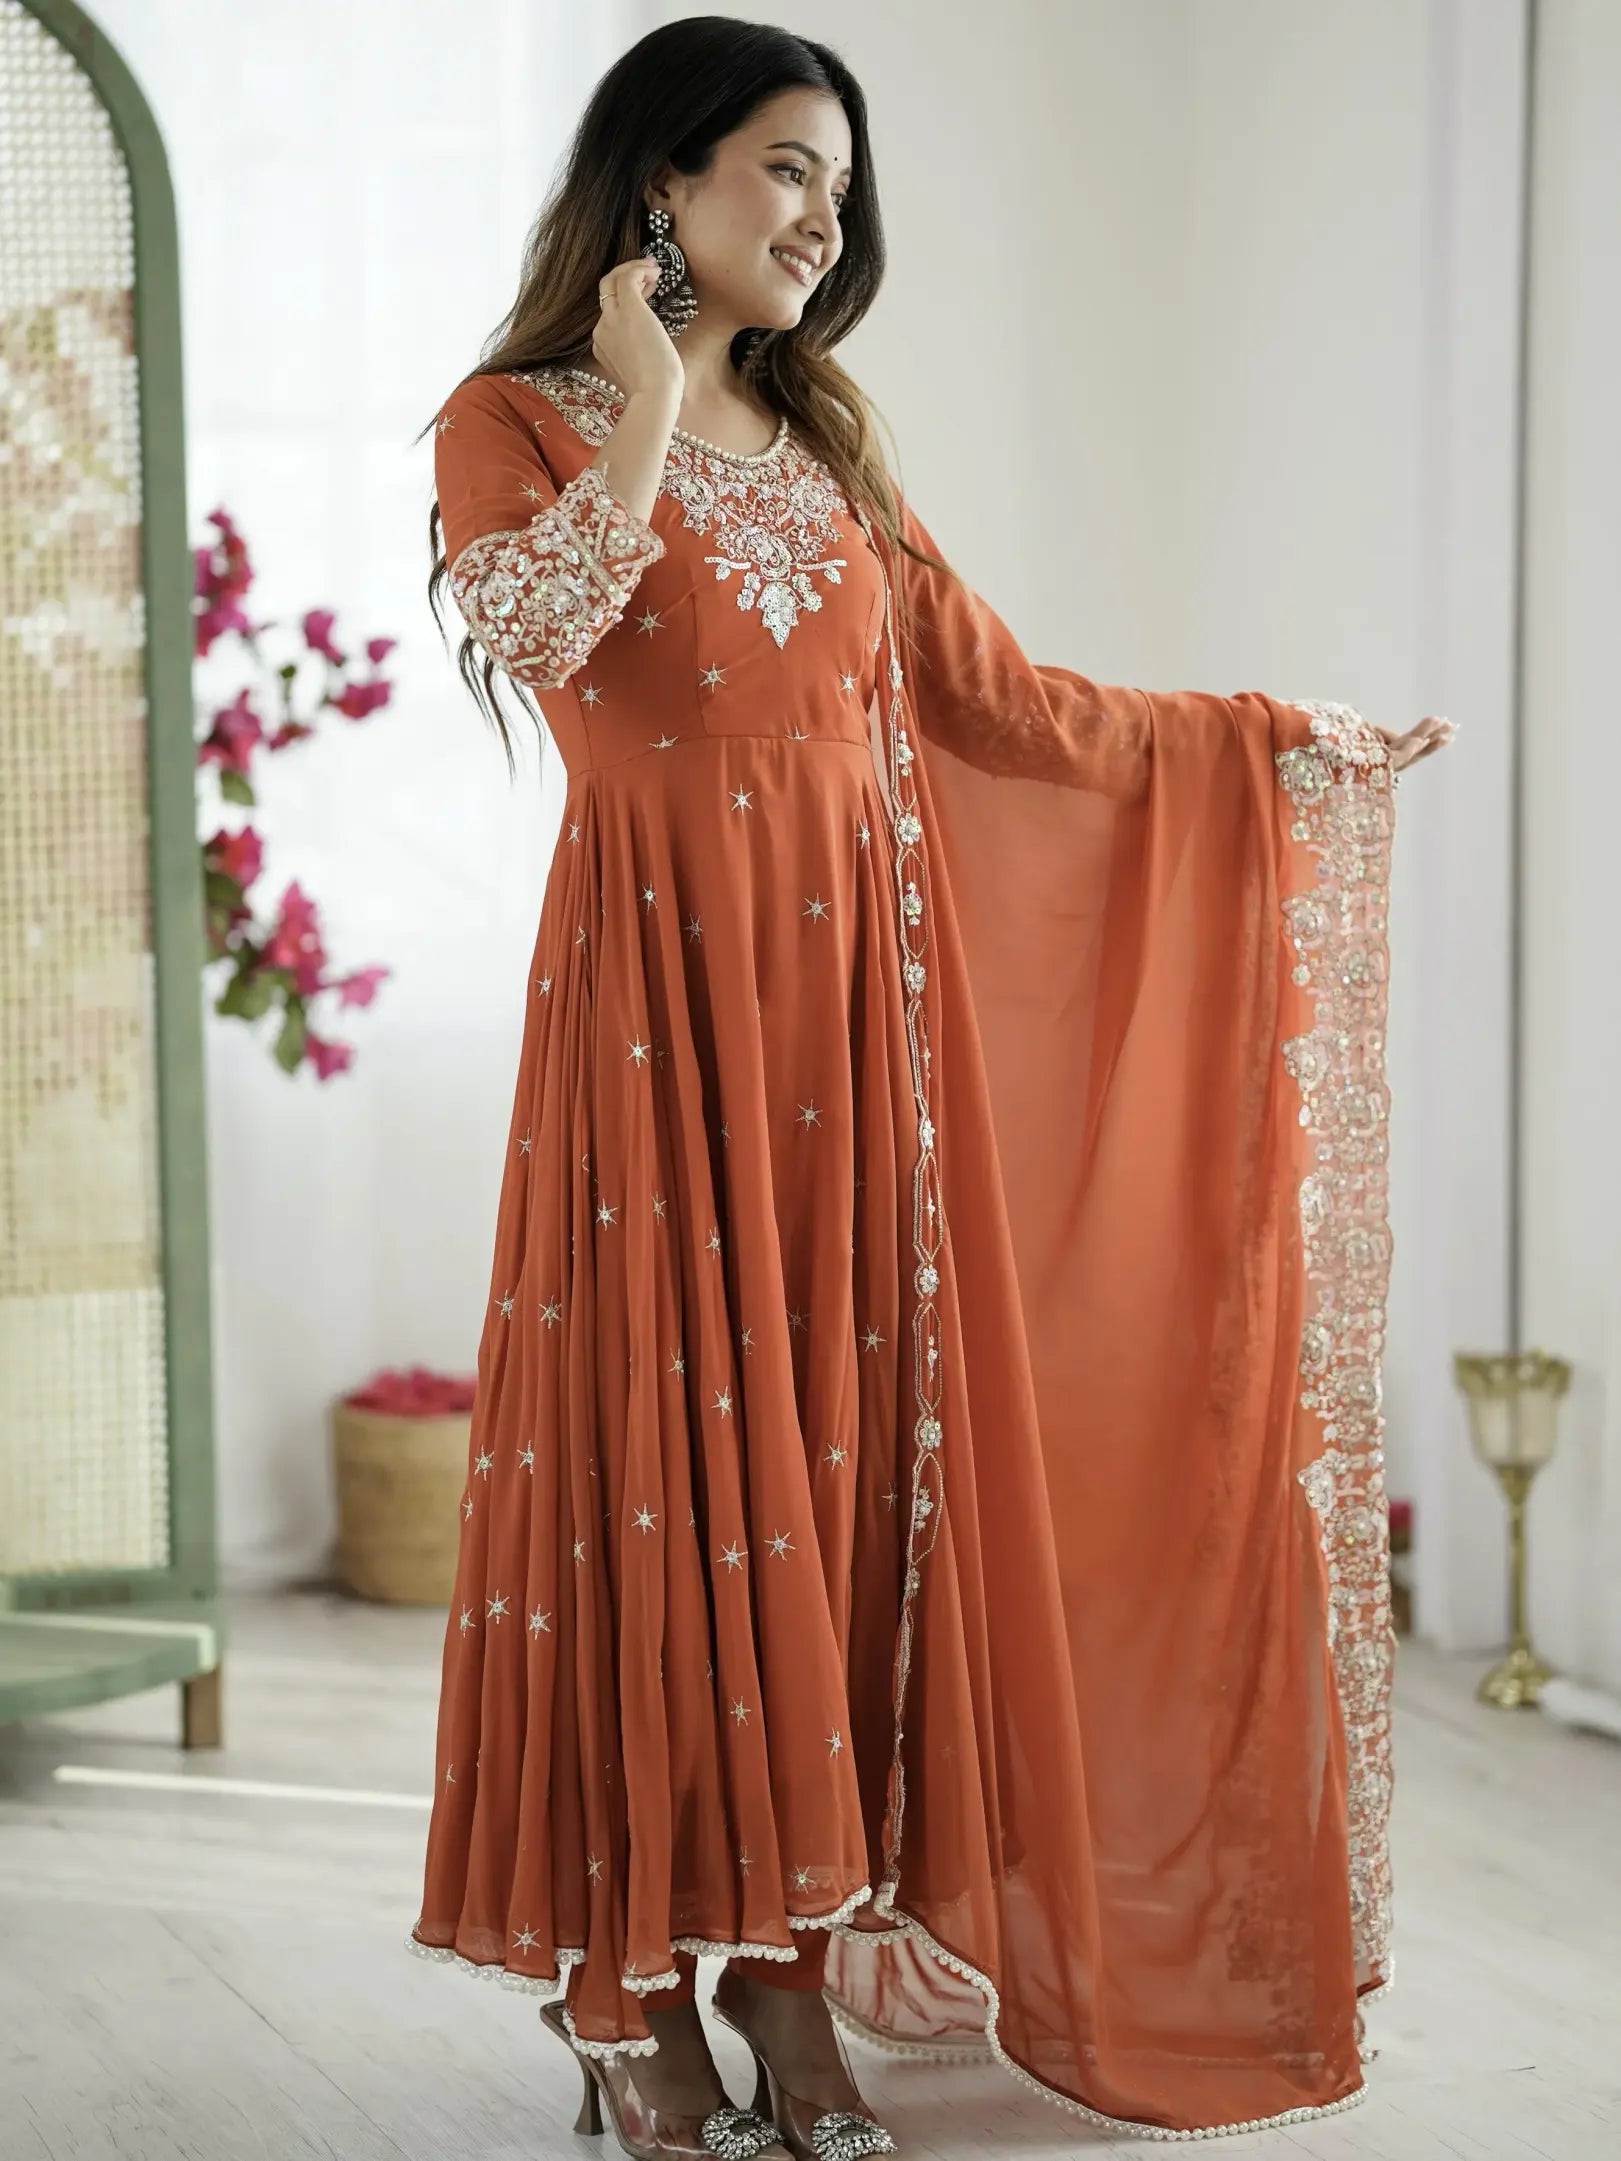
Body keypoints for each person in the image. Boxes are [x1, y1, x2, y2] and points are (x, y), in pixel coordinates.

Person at [406, 18, 1455, 2157]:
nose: (822, 218)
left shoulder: (827, 447)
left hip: (853, 1067)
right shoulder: (510, 420)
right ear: (661, 186)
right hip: (657, 1048)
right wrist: (649, 389)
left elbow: (1009, 706)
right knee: (659, 1498)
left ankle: (792, 1977)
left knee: (828, 1501)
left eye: (841, 187)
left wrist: (1268, 743)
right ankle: (626, 1999)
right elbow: (547, 617)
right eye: (786, 169)